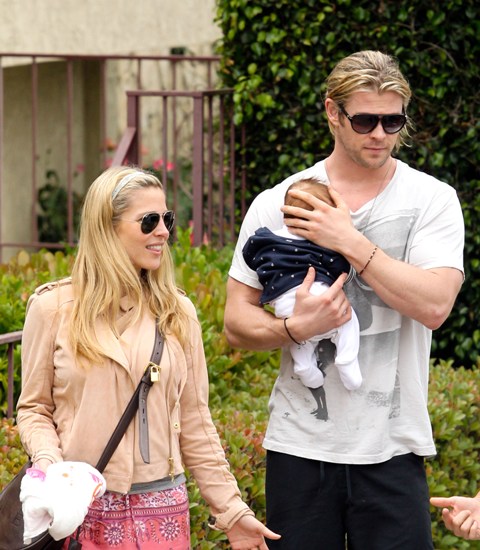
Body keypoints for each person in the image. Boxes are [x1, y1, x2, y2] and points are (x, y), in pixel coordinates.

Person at [224, 50, 465, 549]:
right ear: (333, 112)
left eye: (393, 121)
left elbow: (435, 306)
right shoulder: (279, 201)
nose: (380, 134)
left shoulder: (431, 199)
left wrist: (347, 240)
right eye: (365, 120)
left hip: (394, 448)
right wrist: (293, 329)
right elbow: (235, 322)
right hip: (300, 447)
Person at [16, 166, 280, 549]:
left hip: (163, 515)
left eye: (166, 219)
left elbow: (195, 420)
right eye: (149, 221)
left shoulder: (176, 312)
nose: (164, 232)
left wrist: (232, 510)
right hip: (78, 514)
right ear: (107, 228)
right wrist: (49, 466)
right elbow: (35, 408)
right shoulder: (53, 308)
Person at [242, 177, 361, 390]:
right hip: (319, 298)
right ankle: (347, 360)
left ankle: (305, 367)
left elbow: (250, 253)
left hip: (284, 306)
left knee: (298, 337)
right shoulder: (320, 243)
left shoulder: (268, 239)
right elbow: (340, 267)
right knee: (348, 322)